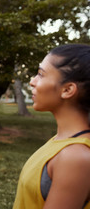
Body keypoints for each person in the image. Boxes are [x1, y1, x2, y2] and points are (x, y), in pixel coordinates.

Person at [13, 44, 90, 209]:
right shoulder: (61, 142)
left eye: (41, 74)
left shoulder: (75, 157)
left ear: (68, 90)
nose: (32, 81)